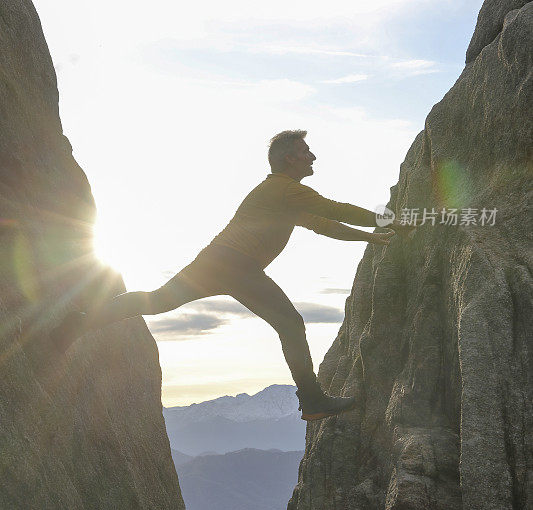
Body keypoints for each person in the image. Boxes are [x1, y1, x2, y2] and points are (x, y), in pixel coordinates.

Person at [51, 130, 411, 421]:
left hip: (218, 260)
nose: (313, 157)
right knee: (290, 323)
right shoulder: (284, 189)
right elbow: (336, 209)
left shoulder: (284, 196)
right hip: (236, 264)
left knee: (158, 301)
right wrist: (390, 219)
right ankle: (313, 400)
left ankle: (79, 320)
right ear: (290, 158)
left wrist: (370, 237)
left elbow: (323, 224)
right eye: (306, 151)